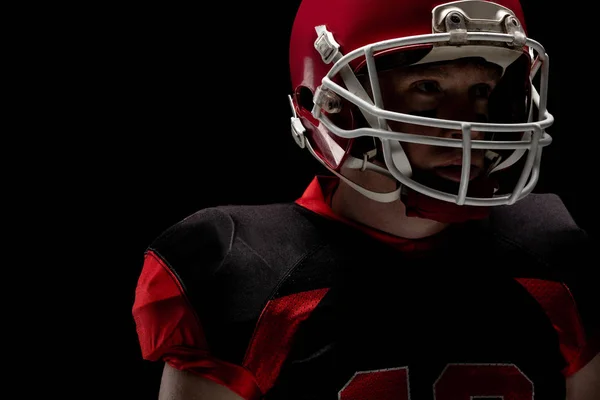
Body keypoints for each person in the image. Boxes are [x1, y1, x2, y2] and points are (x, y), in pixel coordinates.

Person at [132, 0, 599, 398]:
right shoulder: (247, 267)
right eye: (427, 88)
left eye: (481, 90)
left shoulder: (550, 254)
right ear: (333, 103)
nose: (467, 125)